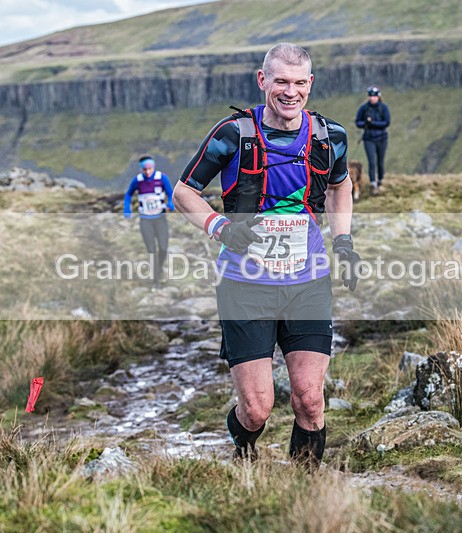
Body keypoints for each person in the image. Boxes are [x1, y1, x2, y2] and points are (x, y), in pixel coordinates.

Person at [173, 42, 360, 467]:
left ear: (310, 85)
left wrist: (343, 241)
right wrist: (219, 228)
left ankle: (304, 491)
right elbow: (183, 191)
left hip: (307, 283)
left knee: (310, 400)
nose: (289, 91)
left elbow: (339, 185)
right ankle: (243, 448)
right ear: (263, 81)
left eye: (298, 83)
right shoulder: (231, 134)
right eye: (280, 81)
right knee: (257, 409)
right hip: (245, 286)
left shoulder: (330, 136)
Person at [123, 155, 174, 289]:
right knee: (151, 250)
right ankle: (155, 281)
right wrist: (126, 208)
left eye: (150, 168)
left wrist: (170, 202)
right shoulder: (137, 180)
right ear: (141, 169)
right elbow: (128, 194)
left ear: (153, 167)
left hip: (160, 219)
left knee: (163, 248)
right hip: (145, 220)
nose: (147, 172)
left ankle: (159, 268)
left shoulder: (162, 178)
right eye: (145, 169)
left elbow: (170, 193)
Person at [355, 86, 390, 195]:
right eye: (370, 96)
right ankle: (373, 183)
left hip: (382, 138)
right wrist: (365, 123)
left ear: (378, 97)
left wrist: (373, 123)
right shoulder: (364, 108)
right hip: (369, 139)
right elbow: (358, 122)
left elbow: (386, 122)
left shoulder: (383, 108)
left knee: (380, 161)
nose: (372, 98)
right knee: (372, 162)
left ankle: (380, 180)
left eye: (374, 96)